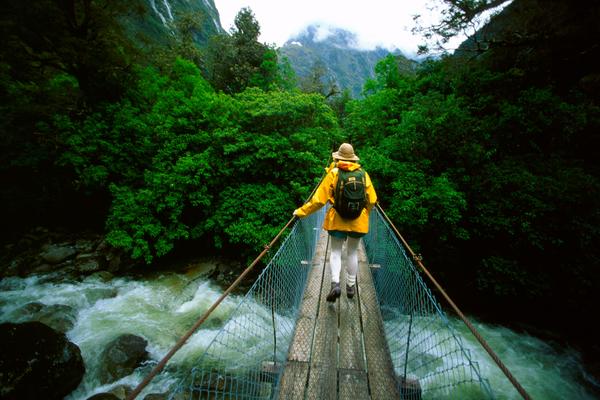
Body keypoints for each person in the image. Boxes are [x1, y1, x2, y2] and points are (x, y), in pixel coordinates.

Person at [293, 143, 377, 302]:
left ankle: (335, 284)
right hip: (358, 221)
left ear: (338, 157)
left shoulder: (333, 173)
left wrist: (301, 212)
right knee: (352, 252)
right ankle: (351, 286)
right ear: (353, 159)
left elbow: (318, 201)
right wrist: (364, 212)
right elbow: (372, 199)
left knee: (336, 252)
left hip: (337, 219)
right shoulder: (363, 174)